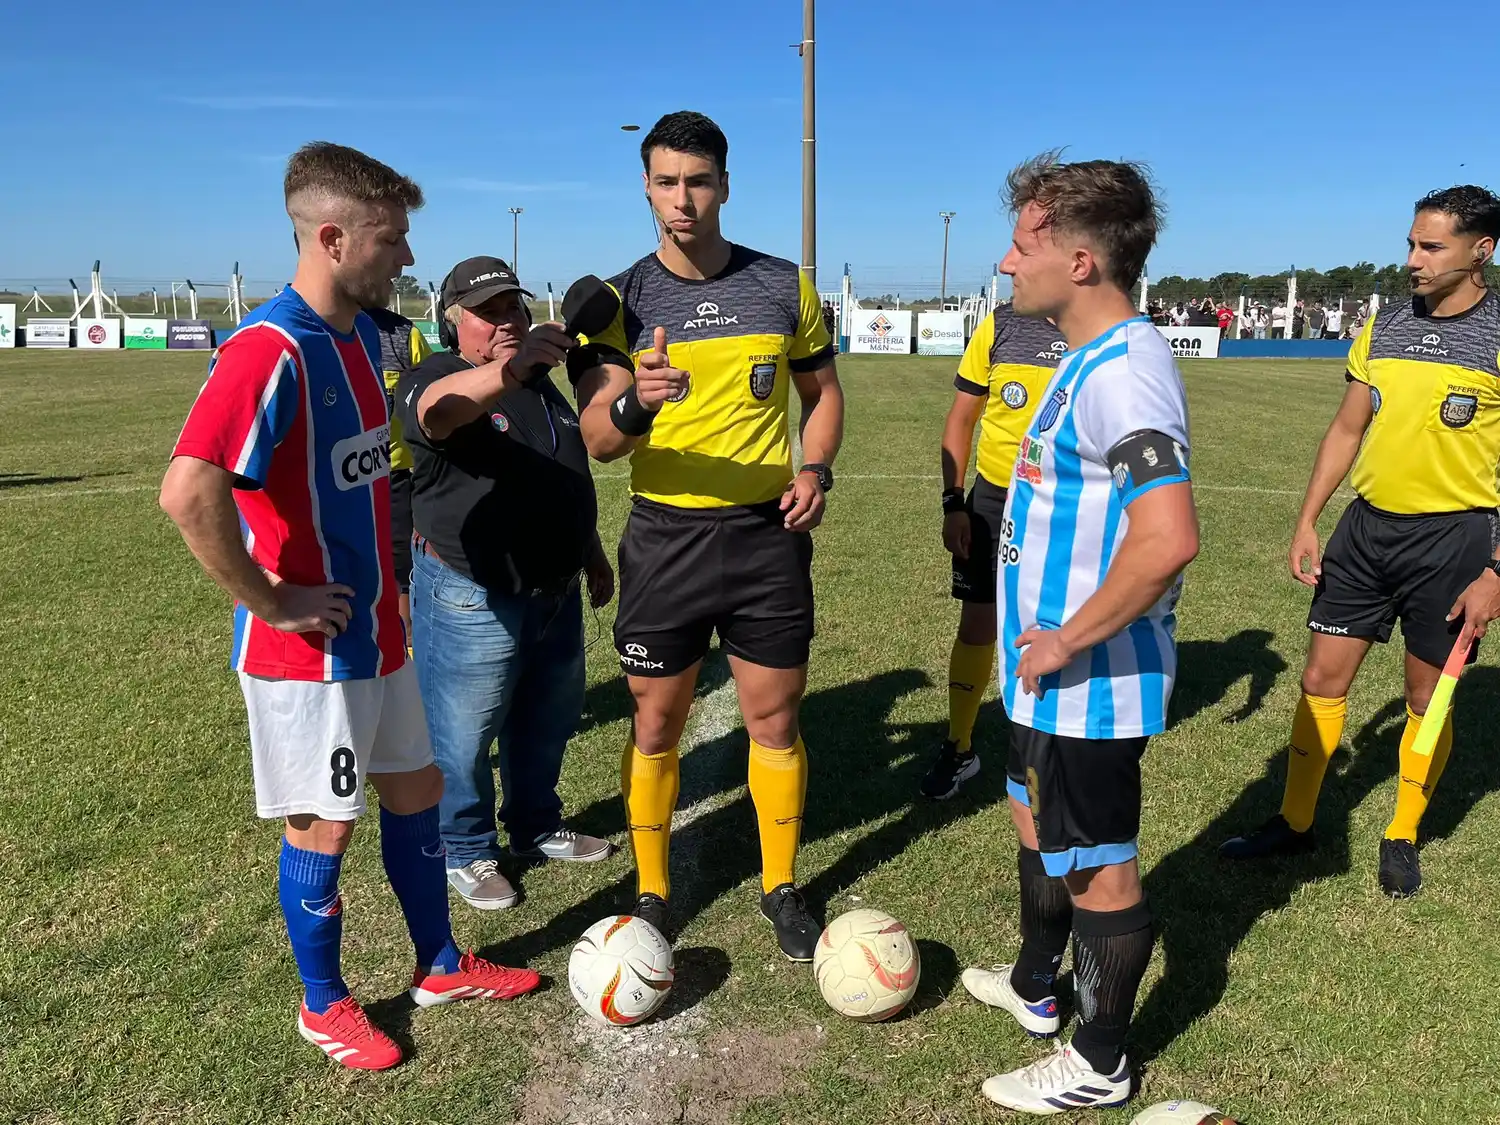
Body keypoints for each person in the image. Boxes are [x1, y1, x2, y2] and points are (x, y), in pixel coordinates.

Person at [158, 142, 539, 1072]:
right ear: (332, 238)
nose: (405, 257)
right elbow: (187, 490)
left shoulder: (368, 338)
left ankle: (439, 962)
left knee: (416, 792)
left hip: (379, 634)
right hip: (309, 654)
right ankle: (323, 1005)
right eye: (391, 239)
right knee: (325, 825)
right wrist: (274, 599)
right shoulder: (269, 348)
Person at [572, 111, 844, 962]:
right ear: (645, 188)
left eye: (697, 181)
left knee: (774, 716)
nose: (681, 199)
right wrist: (636, 401)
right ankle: (652, 892)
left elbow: (824, 396)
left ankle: (780, 885)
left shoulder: (784, 286)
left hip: (766, 537)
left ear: (724, 184)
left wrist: (815, 470)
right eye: (665, 182)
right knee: (656, 721)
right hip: (666, 539)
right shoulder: (619, 300)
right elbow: (598, 438)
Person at [959, 151, 1198, 1114]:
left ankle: (1098, 1061)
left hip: (1090, 682)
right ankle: (1035, 983)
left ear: (1084, 261)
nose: (1009, 263)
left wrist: (1065, 640)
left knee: (1100, 867)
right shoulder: (1082, 357)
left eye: (1024, 244)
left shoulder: (1127, 372)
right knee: (1034, 817)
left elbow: (1167, 537)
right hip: (1045, 682)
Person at [1220, 185, 1500, 897]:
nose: (1412, 258)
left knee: (1424, 697)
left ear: (1482, 251)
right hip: (1368, 529)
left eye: (1430, 245)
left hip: (1457, 539)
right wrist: (1309, 516)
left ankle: (1403, 830)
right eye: (1411, 242)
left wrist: (1495, 568)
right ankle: (1295, 821)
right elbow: (1348, 426)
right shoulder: (1387, 326)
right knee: (1320, 679)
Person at [394, 256, 615, 910]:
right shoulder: (433, 376)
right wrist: (512, 368)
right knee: (464, 733)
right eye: (487, 313)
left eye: (513, 309)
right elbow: (437, 413)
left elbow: (561, 471)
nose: (505, 322)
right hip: (473, 593)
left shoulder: (540, 384)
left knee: (545, 719)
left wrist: (591, 550)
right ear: (450, 322)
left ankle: (535, 824)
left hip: (555, 586)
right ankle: (464, 847)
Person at [923, 302, 1066, 799]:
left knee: (1061, 622)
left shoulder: (1097, 321)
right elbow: (962, 419)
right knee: (978, 621)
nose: (1013, 264)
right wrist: (953, 503)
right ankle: (959, 746)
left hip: (1065, 502)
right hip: (995, 497)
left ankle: (1054, 748)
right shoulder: (1000, 325)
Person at [364, 304, 430, 640]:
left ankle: (404, 649)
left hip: (395, 477)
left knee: (398, 565)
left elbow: (434, 398)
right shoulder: (306, 332)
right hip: (327, 482)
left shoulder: (404, 336)